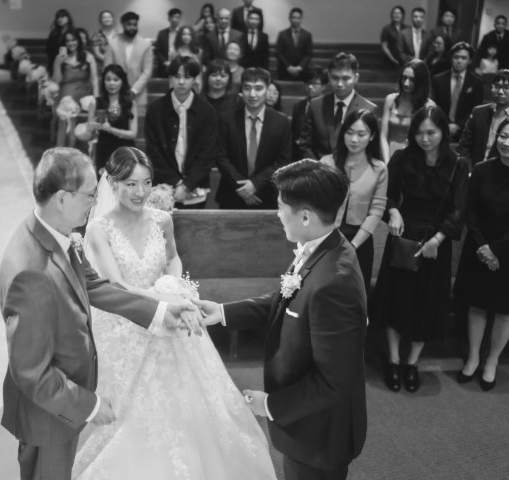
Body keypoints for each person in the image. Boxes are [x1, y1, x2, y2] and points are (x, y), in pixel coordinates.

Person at [73, 146, 277, 480]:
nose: (140, 192)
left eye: (147, 183)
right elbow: (116, 285)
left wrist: (174, 282)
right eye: (130, 184)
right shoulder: (99, 228)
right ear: (111, 183)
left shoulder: (162, 219)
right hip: (127, 320)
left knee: (191, 399)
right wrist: (162, 298)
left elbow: (172, 258)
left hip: (171, 313)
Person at [0, 147, 198, 480]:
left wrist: (161, 310)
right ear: (62, 198)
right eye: (90, 195)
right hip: (50, 412)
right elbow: (31, 372)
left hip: (62, 400)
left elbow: (94, 285)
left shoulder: (58, 233)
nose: (95, 202)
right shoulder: (31, 272)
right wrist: (89, 406)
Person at [197, 159, 368, 480]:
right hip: (307, 424)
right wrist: (222, 312)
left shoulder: (335, 282)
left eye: (280, 207)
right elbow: (284, 301)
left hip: (319, 434)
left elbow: (334, 381)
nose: (277, 214)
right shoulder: (322, 246)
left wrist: (271, 405)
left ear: (305, 216)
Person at [373, 106, 469, 393]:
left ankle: (412, 362)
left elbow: (459, 210)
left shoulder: (457, 163)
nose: (424, 139)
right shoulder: (402, 157)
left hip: (436, 241)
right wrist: (393, 211)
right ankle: (393, 359)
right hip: (404, 235)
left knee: (427, 303)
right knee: (397, 299)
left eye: (431, 132)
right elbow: (387, 195)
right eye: (418, 133)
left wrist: (437, 240)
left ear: (443, 132)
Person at [454, 119, 509, 391]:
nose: (506, 142)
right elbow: (470, 209)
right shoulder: (482, 169)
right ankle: (474, 356)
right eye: (503, 135)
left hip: (506, 251)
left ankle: (492, 361)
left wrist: (495, 249)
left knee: (504, 311)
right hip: (478, 246)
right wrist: (483, 246)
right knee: (476, 304)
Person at [320, 109, 388, 293]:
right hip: (327, 238)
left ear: (372, 136)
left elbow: (376, 211)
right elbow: (316, 204)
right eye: (349, 133)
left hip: (359, 242)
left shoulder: (379, 169)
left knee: (354, 295)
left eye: (361, 134)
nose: (354, 139)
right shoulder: (327, 163)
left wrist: (353, 246)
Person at [144, 56, 216, 209]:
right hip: (162, 188)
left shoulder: (207, 111)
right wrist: (175, 182)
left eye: (187, 77)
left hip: (196, 187)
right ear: (170, 78)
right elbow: (153, 151)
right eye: (177, 77)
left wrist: (187, 185)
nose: (181, 82)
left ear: (194, 79)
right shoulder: (155, 109)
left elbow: (208, 153)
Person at [216, 67, 291, 209]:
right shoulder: (227, 119)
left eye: (258, 88)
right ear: (241, 90)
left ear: (267, 90)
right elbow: (221, 157)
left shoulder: (281, 122)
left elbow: (283, 160)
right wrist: (242, 187)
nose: (252, 94)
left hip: (267, 195)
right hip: (232, 194)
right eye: (247, 88)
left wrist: (255, 184)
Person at [297, 52, 378, 159]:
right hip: (318, 166)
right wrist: (319, 167)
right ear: (329, 76)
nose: (340, 84)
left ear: (356, 78)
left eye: (346, 79)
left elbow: (372, 149)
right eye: (335, 78)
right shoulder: (315, 105)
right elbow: (304, 144)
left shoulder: (369, 109)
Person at [380, 59, 434, 162]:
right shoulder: (391, 100)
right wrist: (387, 162)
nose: (406, 83)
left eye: (412, 80)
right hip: (390, 153)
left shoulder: (428, 105)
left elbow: (429, 140)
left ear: (420, 81)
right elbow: (383, 135)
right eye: (404, 78)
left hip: (416, 158)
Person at [52, 29, 98, 147]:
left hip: (84, 93)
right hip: (66, 93)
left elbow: (94, 79)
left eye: (73, 40)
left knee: (91, 105)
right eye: (67, 41)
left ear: (78, 41)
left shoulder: (88, 57)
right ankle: (63, 147)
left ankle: (79, 142)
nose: (70, 43)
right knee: (67, 107)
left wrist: (97, 97)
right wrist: (57, 63)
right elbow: (57, 80)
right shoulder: (60, 58)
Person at [431, 41, 484, 141]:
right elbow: (434, 105)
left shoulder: (476, 82)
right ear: (451, 58)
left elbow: (476, 109)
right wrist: (446, 124)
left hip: (465, 130)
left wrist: (458, 126)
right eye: (456, 57)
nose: (459, 61)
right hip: (440, 127)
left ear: (469, 60)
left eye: (463, 58)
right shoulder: (438, 79)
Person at [88, 64, 136, 171]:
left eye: (116, 79)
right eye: (108, 79)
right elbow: (88, 133)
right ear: (103, 81)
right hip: (103, 152)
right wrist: (91, 127)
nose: (111, 83)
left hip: (126, 153)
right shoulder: (95, 102)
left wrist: (111, 129)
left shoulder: (130, 104)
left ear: (122, 81)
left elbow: (133, 134)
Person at [457, 69, 509, 167]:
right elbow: (463, 147)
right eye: (497, 86)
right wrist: (467, 170)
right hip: (474, 169)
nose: (500, 92)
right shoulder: (478, 112)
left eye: (507, 87)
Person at [103, 12, 153, 111]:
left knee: (138, 121)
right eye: (129, 24)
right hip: (115, 95)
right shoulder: (112, 43)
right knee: (114, 120)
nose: (132, 27)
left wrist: (133, 91)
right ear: (123, 24)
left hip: (138, 96)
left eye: (134, 24)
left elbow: (147, 72)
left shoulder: (145, 45)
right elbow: (107, 69)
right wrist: (117, 89)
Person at [291, 66, 327, 160]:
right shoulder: (298, 106)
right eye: (308, 83)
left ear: (323, 86)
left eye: (314, 83)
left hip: (322, 158)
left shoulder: (329, 105)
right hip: (300, 156)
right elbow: (295, 133)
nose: (310, 86)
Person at [275, 8, 313, 81]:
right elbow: (278, 53)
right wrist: (289, 67)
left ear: (301, 19)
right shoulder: (282, 34)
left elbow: (309, 54)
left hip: (301, 73)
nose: (296, 20)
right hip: (284, 72)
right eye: (294, 17)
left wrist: (299, 68)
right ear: (289, 18)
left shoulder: (307, 35)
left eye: (298, 18)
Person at [153, 8, 182, 78]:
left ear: (179, 19)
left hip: (180, 67)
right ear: (169, 18)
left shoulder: (182, 34)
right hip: (164, 68)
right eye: (173, 17)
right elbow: (157, 51)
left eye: (177, 17)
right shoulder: (162, 33)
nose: (174, 19)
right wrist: (164, 62)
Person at [46, 9, 73, 73]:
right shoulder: (54, 33)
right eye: (58, 17)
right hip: (54, 61)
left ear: (68, 18)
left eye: (62, 16)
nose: (60, 19)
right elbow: (48, 48)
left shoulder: (72, 32)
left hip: (69, 61)